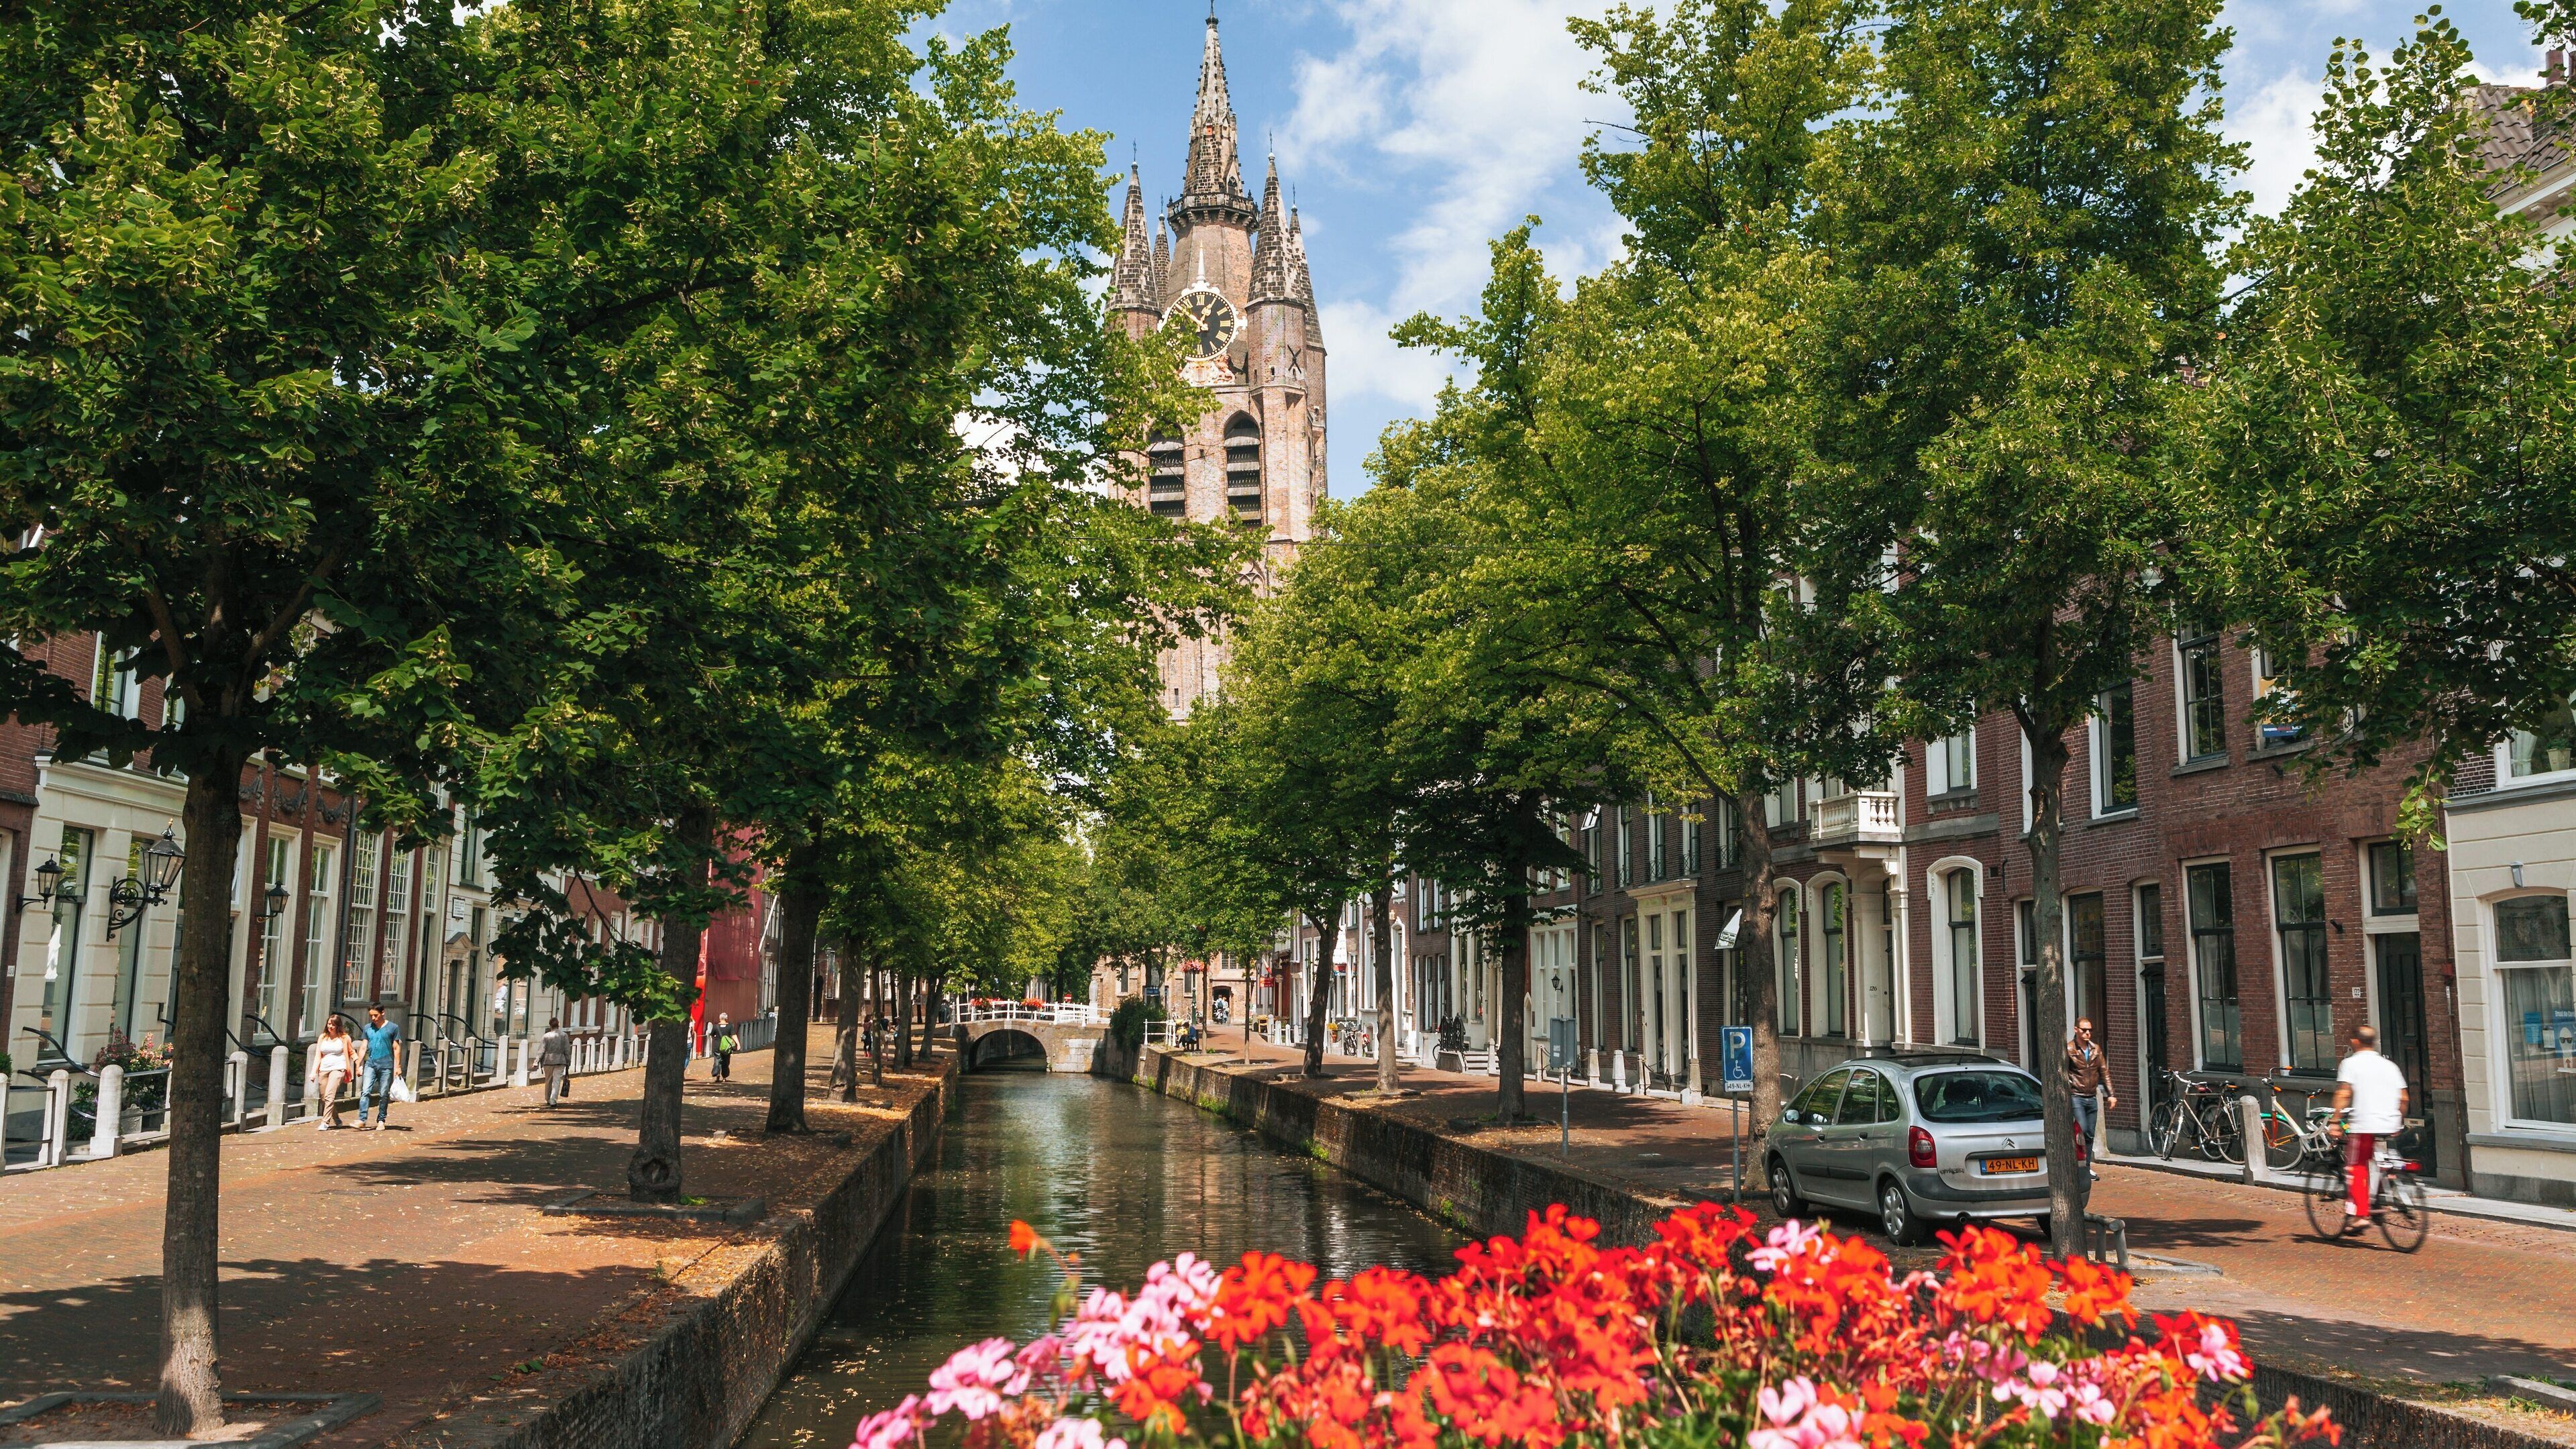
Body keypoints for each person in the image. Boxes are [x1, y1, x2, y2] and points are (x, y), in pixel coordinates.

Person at [2331, 1024, 2409, 1230]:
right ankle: (2379, 1194)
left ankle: (2362, 1215)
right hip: (2389, 1123)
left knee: (2355, 1167)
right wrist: (2398, 1121)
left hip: (2364, 1124)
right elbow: (2404, 1098)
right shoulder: (2390, 1066)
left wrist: (2335, 1121)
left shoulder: (2350, 1063)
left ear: (2355, 1042)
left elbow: (2344, 1094)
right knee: (2378, 1162)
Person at [2063, 1018, 2115, 1180]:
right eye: (2084, 1030)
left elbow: (2104, 1072)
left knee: (2090, 1134)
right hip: (2076, 1096)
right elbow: (2063, 1071)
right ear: (2076, 1029)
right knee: (2082, 1130)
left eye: (2090, 1030)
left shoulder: (2096, 1049)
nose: (2088, 1033)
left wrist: (2111, 1094)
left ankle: (2086, 1168)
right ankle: (2073, 1165)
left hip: (2092, 1097)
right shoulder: (2069, 1049)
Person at [358, 1006, 402, 1130]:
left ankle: (381, 1120)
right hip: (370, 1065)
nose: (373, 1018)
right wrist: (358, 1064)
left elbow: (396, 1048)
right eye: (371, 1016)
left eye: (376, 1015)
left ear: (383, 1013)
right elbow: (363, 1047)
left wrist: (398, 1066)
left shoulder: (393, 1028)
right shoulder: (368, 1028)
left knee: (383, 1094)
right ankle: (362, 1119)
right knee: (365, 1091)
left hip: (386, 1066)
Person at [308, 1014, 355, 1129]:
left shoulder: (344, 1038)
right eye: (329, 1024)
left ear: (338, 1026)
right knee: (324, 1098)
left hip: (339, 1068)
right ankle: (337, 1119)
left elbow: (351, 1051)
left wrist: (358, 1063)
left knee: (330, 1095)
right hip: (324, 1069)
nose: (331, 1026)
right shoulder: (323, 1037)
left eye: (333, 1025)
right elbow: (318, 1056)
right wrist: (313, 1072)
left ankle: (325, 1122)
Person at [538, 1018, 572, 1107]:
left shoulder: (546, 1036)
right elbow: (567, 1050)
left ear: (550, 1025)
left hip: (548, 1061)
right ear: (558, 1025)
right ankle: (553, 1100)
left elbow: (542, 1050)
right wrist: (568, 1061)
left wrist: (536, 1061)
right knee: (557, 1081)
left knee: (548, 1081)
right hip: (560, 1060)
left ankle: (548, 1099)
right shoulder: (564, 1035)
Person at [712, 1013, 735, 1081]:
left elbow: (712, 1035)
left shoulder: (715, 1026)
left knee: (717, 1060)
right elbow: (733, 1035)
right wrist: (738, 1044)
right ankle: (724, 1077)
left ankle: (717, 1074)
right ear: (726, 1019)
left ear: (720, 1018)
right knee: (726, 1062)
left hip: (717, 1046)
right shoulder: (730, 1026)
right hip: (726, 1048)